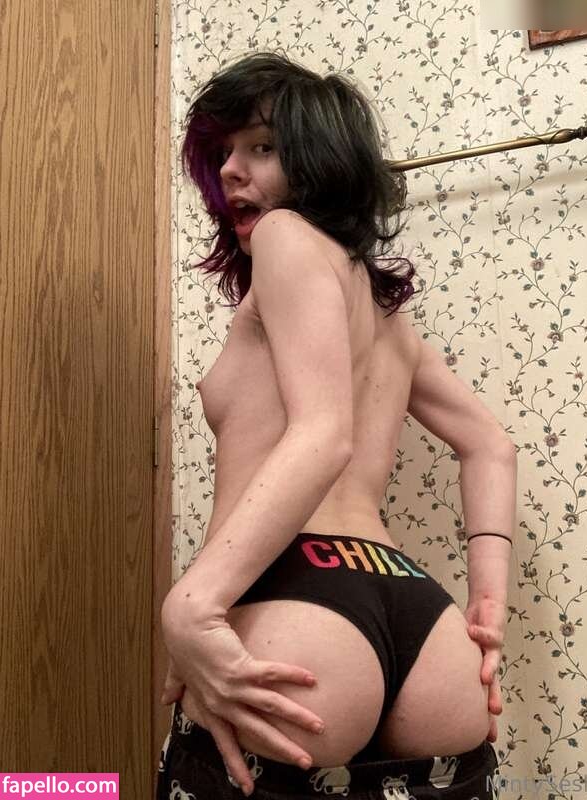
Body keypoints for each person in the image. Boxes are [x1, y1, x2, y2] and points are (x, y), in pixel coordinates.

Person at [157, 50, 517, 800]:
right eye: (223, 153)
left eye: (261, 147)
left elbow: (323, 432)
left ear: (319, 160)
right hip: (419, 618)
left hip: (299, 599)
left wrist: (192, 604)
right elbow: (490, 445)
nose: (231, 171)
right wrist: (487, 603)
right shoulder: (386, 317)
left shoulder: (284, 236)